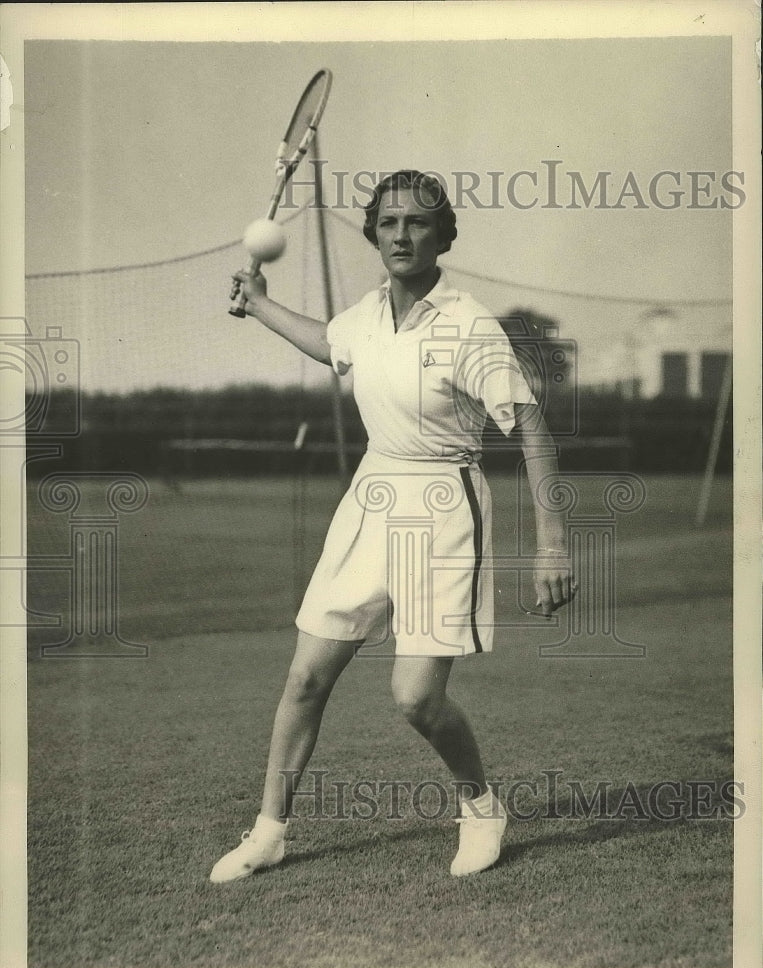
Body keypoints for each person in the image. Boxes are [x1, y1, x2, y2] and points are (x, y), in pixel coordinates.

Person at [210, 170, 574, 884]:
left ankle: (479, 806)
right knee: (306, 677)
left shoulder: (469, 324)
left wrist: (552, 542)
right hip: (370, 498)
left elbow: (530, 425)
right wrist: (258, 305)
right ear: (374, 234)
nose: (401, 235)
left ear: (443, 237)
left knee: (414, 698)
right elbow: (329, 345)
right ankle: (268, 832)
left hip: (444, 506)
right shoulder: (367, 314)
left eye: (417, 223)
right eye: (388, 223)